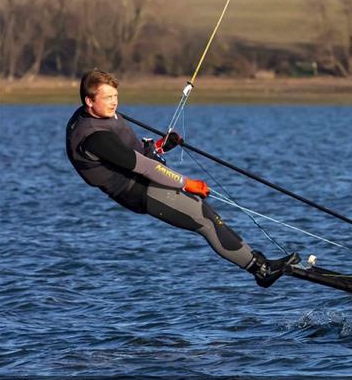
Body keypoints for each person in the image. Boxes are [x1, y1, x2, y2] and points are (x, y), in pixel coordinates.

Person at [65, 68, 298, 288]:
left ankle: (261, 264)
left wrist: (160, 146)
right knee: (205, 221)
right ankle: (261, 270)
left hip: (146, 180)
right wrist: (187, 183)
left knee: (206, 214)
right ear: (89, 101)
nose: (114, 102)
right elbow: (145, 167)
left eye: (115, 96)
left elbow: (132, 151)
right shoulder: (94, 138)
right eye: (107, 98)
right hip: (140, 190)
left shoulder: (99, 114)